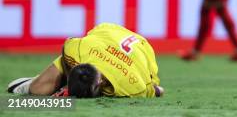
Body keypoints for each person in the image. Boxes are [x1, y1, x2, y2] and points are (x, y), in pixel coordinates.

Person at [7, 23, 164, 98]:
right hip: (104, 35)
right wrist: (68, 76)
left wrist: (156, 90)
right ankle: (34, 83)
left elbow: (156, 91)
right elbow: (66, 48)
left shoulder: (133, 86)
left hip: (142, 48)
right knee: (38, 89)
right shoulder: (77, 51)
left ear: (100, 83)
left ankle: (61, 86)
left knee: (154, 85)